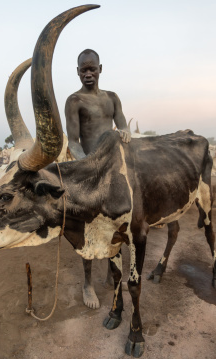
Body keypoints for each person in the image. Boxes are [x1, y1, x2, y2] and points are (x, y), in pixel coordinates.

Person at [65, 49, 131, 309]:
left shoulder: (112, 98)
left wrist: (125, 132)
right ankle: (87, 283)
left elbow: (123, 125)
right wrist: (87, 164)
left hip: (114, 170)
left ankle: (111, 274)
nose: (88, 73)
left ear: (101, 69)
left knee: (117, 225)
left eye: (92, 68)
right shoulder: (74, 101)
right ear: (78, 72)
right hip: (90, 170)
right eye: (84, 69)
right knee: (89, 229)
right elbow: (73, 140)